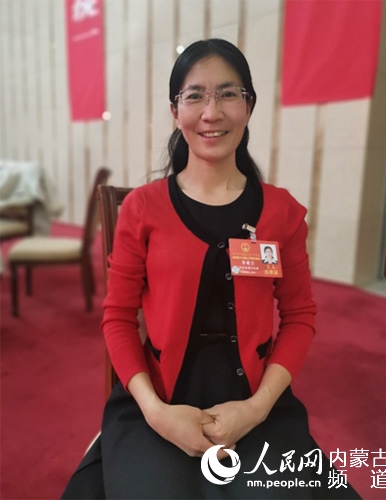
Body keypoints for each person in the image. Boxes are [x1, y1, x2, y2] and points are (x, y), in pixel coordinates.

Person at [62, 39, 361, 499]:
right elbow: (118, 317)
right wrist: (156, 412)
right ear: (175, 110)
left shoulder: (281, 212)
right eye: (195, 95)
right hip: (158, 401)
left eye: (227, 93)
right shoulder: (143, 208)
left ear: (249, 105)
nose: (211, 111)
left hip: (256, 401)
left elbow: (299, 316)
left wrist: (256, 408)